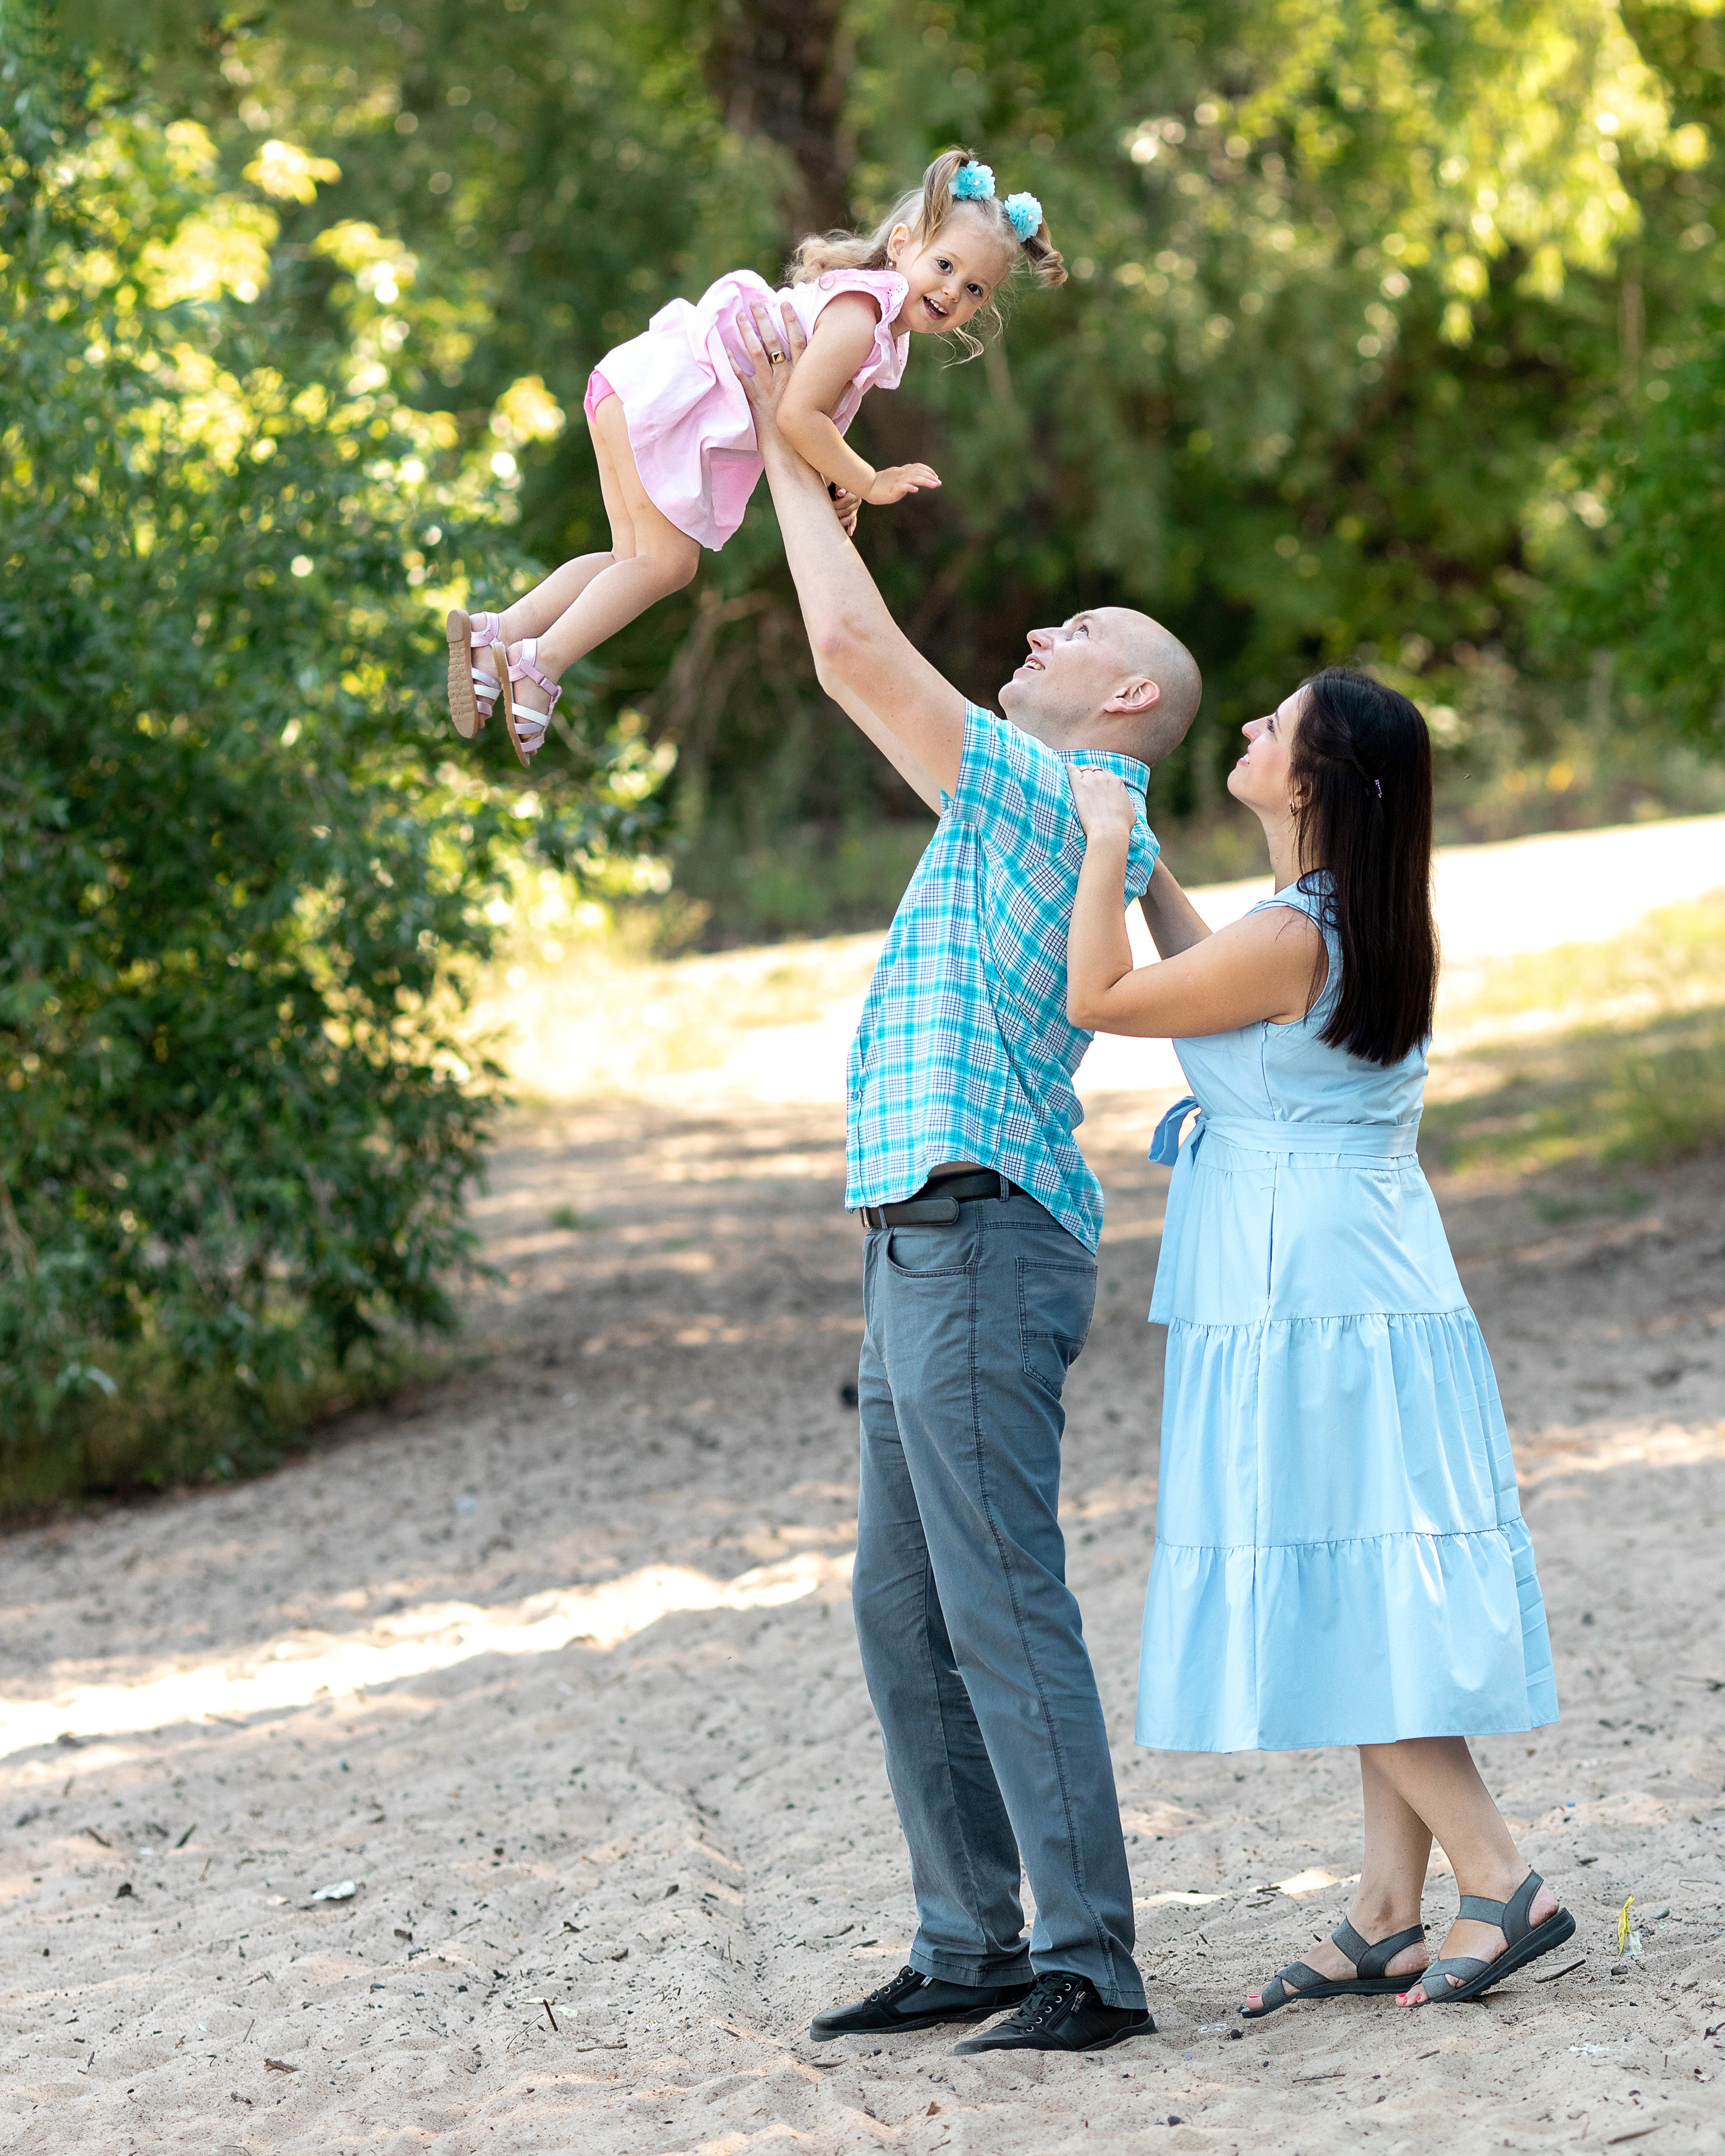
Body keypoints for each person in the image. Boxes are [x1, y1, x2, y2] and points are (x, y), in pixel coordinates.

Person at [722, 297, 1200, 2055]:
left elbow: (855, 655)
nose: (1035, 627)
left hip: (982, 1227)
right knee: (904, 1600)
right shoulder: (1044, 807)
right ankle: (971, 1942)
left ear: (1123, 699)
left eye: (1075, 628)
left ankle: (1088, 1962)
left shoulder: (1050, 794)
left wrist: (784, 441)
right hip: (925, 1231)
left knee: (997, 1593)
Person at [1062, 666, 1573, 2017]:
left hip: (1314, 1296)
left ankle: (1498, 1875)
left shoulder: (1299, 932)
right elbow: (1203, 980)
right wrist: (1154, 876)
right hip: (1342, 1275)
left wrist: (1106, 845)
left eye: (1271, 724)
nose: (1243, 728)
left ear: (1309, 781)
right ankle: (1383, 1909)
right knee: (1357, 1579)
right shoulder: (1326, 917)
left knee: (1337, 1587)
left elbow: (1104, 999)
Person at [444, 148, 1063, 766]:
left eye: (974, 289)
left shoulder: (870, 319)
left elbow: (810, 418)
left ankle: (494, 634)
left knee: (629, 560)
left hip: (638, 388)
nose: (952, 291)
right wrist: (869, 480)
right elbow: (796, 415)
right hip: (669, 402)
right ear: (901, 245)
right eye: (946, 265)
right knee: (668, 566)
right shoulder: (861, 313)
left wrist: (831, 485)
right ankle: (538, 664)